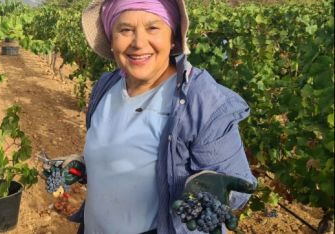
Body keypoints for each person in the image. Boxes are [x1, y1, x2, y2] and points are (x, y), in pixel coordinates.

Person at [50, 0, 257, 233]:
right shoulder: (105, 87)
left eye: (153, 28)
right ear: (111, 40)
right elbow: (125, 160)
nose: (138, 43)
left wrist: (206, 187)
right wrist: (84, 165)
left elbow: (237, 187)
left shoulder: (202, 100)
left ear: (173, 38)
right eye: (125, 30)